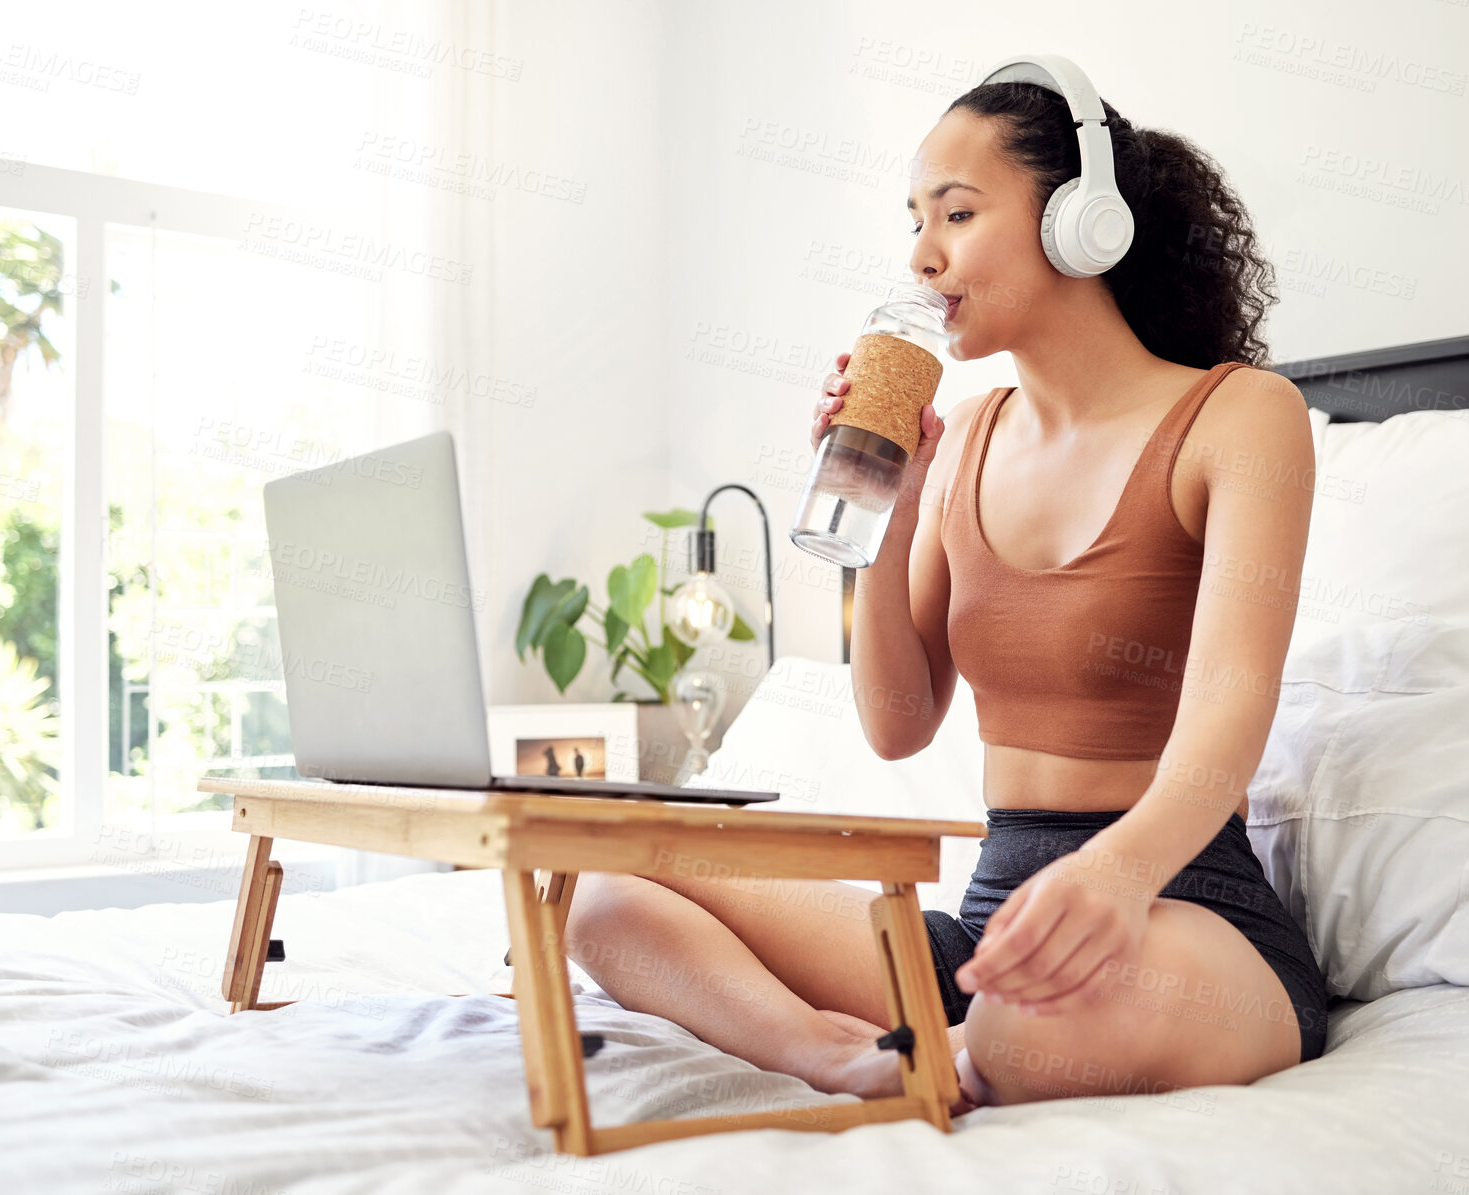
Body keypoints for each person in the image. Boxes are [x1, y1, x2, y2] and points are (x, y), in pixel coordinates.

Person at [564, 74, 1326, 1116]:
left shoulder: (1240, 416)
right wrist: (891, 504)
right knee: (599, 892)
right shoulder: (961, 436)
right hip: (993, 921)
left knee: (1019, 1024)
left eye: (957, 215)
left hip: (1182, 904)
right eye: (915, 222)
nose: (922, 254)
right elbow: (893, 724)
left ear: (1079, 224)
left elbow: (1232, 705)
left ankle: (965, 1041)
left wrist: (1109, 876)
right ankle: (839, 1057)